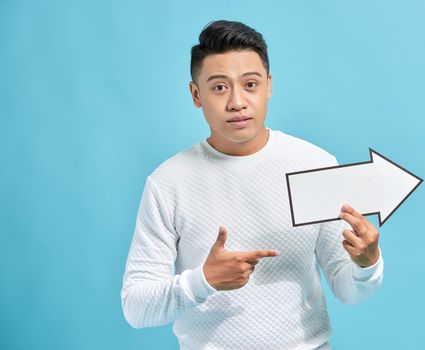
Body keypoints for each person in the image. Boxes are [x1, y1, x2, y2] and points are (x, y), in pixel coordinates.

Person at [121, 19, 384, 350]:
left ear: (268, 86)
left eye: (250, 84)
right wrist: (203, 281)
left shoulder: (314, 164)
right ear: (195, 94)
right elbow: (136, 308)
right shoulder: (168, 183)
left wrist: (366, 263)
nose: (236, 102)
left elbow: (350, 291)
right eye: (219, 87)